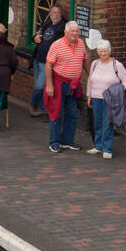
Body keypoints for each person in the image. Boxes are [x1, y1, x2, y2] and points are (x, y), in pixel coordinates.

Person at [44, 20, 88, 153]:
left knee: (72, 114)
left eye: (77, 31)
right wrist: (49, 85)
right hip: (59, 83)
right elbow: (48, 65)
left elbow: (85, 61)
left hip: (73, 84)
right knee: (57, 113)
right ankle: (54, 142)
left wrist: (91, 76)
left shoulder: (81, 44)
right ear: (65, 32)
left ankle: (67, 141)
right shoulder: (56, 45)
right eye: (72, 31)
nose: (75, 34)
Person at [87, 41, 126, 160]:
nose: (103, 53)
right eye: (100, 51)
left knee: (107, 124)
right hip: (96, 98)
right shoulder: (95, 63)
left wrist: (117, 90)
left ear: (110, 51)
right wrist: (88, 95)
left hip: (110, 99)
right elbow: (90, 80)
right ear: (97, 52)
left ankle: (107, 149)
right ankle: (98, 146)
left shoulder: (117, 65)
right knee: (97, 123)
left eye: (105, 51)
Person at [30, 5, 66, 116]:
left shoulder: (63, 27)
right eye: (53, 13)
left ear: (61, 14)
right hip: (37, 58)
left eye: (58, 12)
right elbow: (38, 35)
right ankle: (42, 107)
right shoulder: (47, 23)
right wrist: (34, 38)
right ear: (50, 14)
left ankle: (32, 103)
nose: (55, 15)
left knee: (40, 86)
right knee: (39, 85)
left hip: (47, 62)